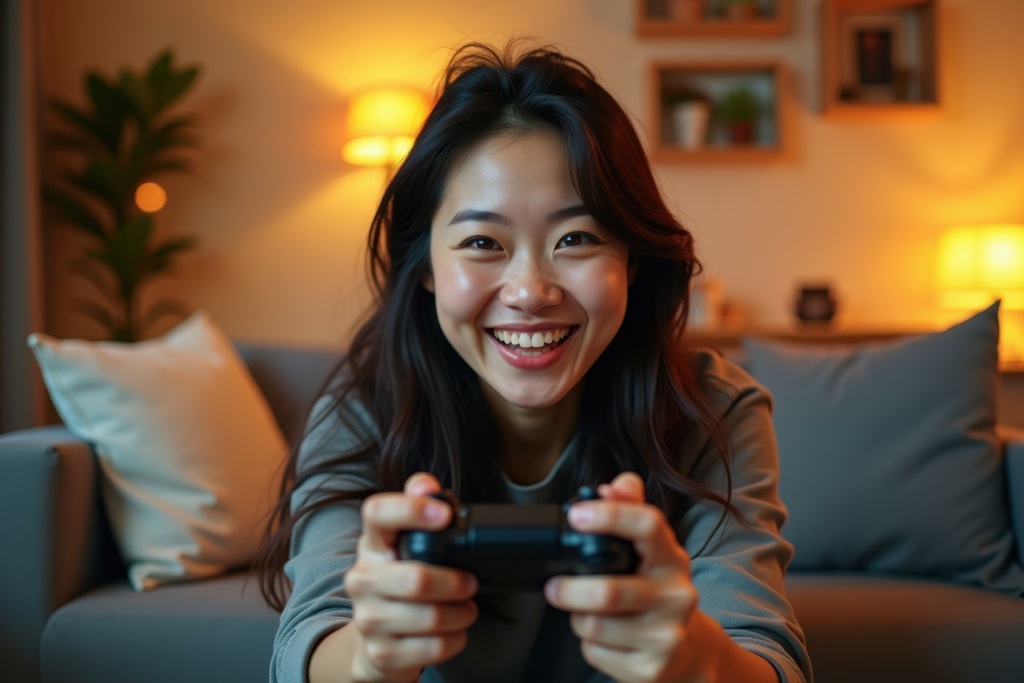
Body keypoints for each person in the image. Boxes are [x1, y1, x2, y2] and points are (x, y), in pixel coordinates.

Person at [257, 39, 812, 683]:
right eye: (482, 242)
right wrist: (370, 654)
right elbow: (307, 644)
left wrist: (694, 658)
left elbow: (769, 659)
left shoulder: (715, 408)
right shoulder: (362, 408)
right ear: (429, 268)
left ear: (630, 259)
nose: (529, 291)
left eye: (576, 238)